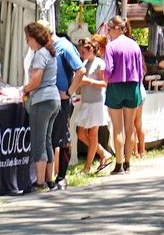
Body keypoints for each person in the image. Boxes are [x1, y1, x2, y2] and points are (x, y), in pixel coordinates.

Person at [40, 20, 86, 190]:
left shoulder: (64, 46)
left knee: (62, 137)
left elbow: (81, 69)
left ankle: (61, 176)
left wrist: (69, 92)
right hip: (47, 98)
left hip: (62, 100)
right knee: (49, 138)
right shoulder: (45, 48)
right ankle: (47, 177)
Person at [21, 22, 60, 193]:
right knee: (47, 140)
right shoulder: (50, 53)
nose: (27, 42)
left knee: (38, 141)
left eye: (28, 39)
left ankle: (40, 182)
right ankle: (49, 179)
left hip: (42, 100)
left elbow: (36, 80)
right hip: (53, 99)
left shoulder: (40, 54)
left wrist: (25, 89)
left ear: (34, 38)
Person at [104, 15, 144, 175]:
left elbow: (108, 70)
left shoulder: (111, 46)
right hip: (133, 86)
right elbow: (140, 70)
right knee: (130, 127)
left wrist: (106, 79)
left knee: (118, 128)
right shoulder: (134, 45)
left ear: (116, 28)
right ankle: (128, 163)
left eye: (109, 29)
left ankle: (119, 164)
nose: (108, 32)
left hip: (116, 86)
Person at [72, 37, 113, 174]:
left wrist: (88, 82)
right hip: (86, 102)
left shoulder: (99, 63)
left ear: (91, 50)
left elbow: (105, 83)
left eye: (83, 52)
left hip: (96, 103)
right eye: (80, 52)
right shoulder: (84, 63)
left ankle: (87, 166)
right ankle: (103, 153)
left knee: (92, 135)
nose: (81, 55)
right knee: (81, 134)